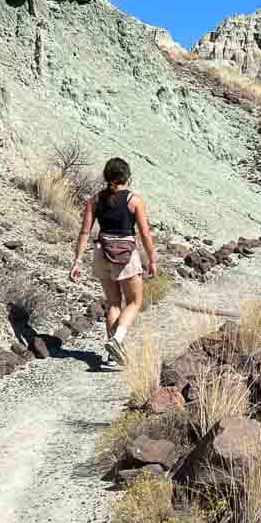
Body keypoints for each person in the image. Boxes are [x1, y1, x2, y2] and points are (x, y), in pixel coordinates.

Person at [70, 157, 158, 366]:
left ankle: (112, 357)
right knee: (135, 302)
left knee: (113, 304)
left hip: (102, 252)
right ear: (128, 177)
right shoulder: (134, 200)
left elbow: (84, 232)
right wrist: (152, 258)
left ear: (106, 177)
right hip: (125, 255)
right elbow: (145, 234)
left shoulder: (94, 200)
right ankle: (117, 340)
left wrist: (77, 261)